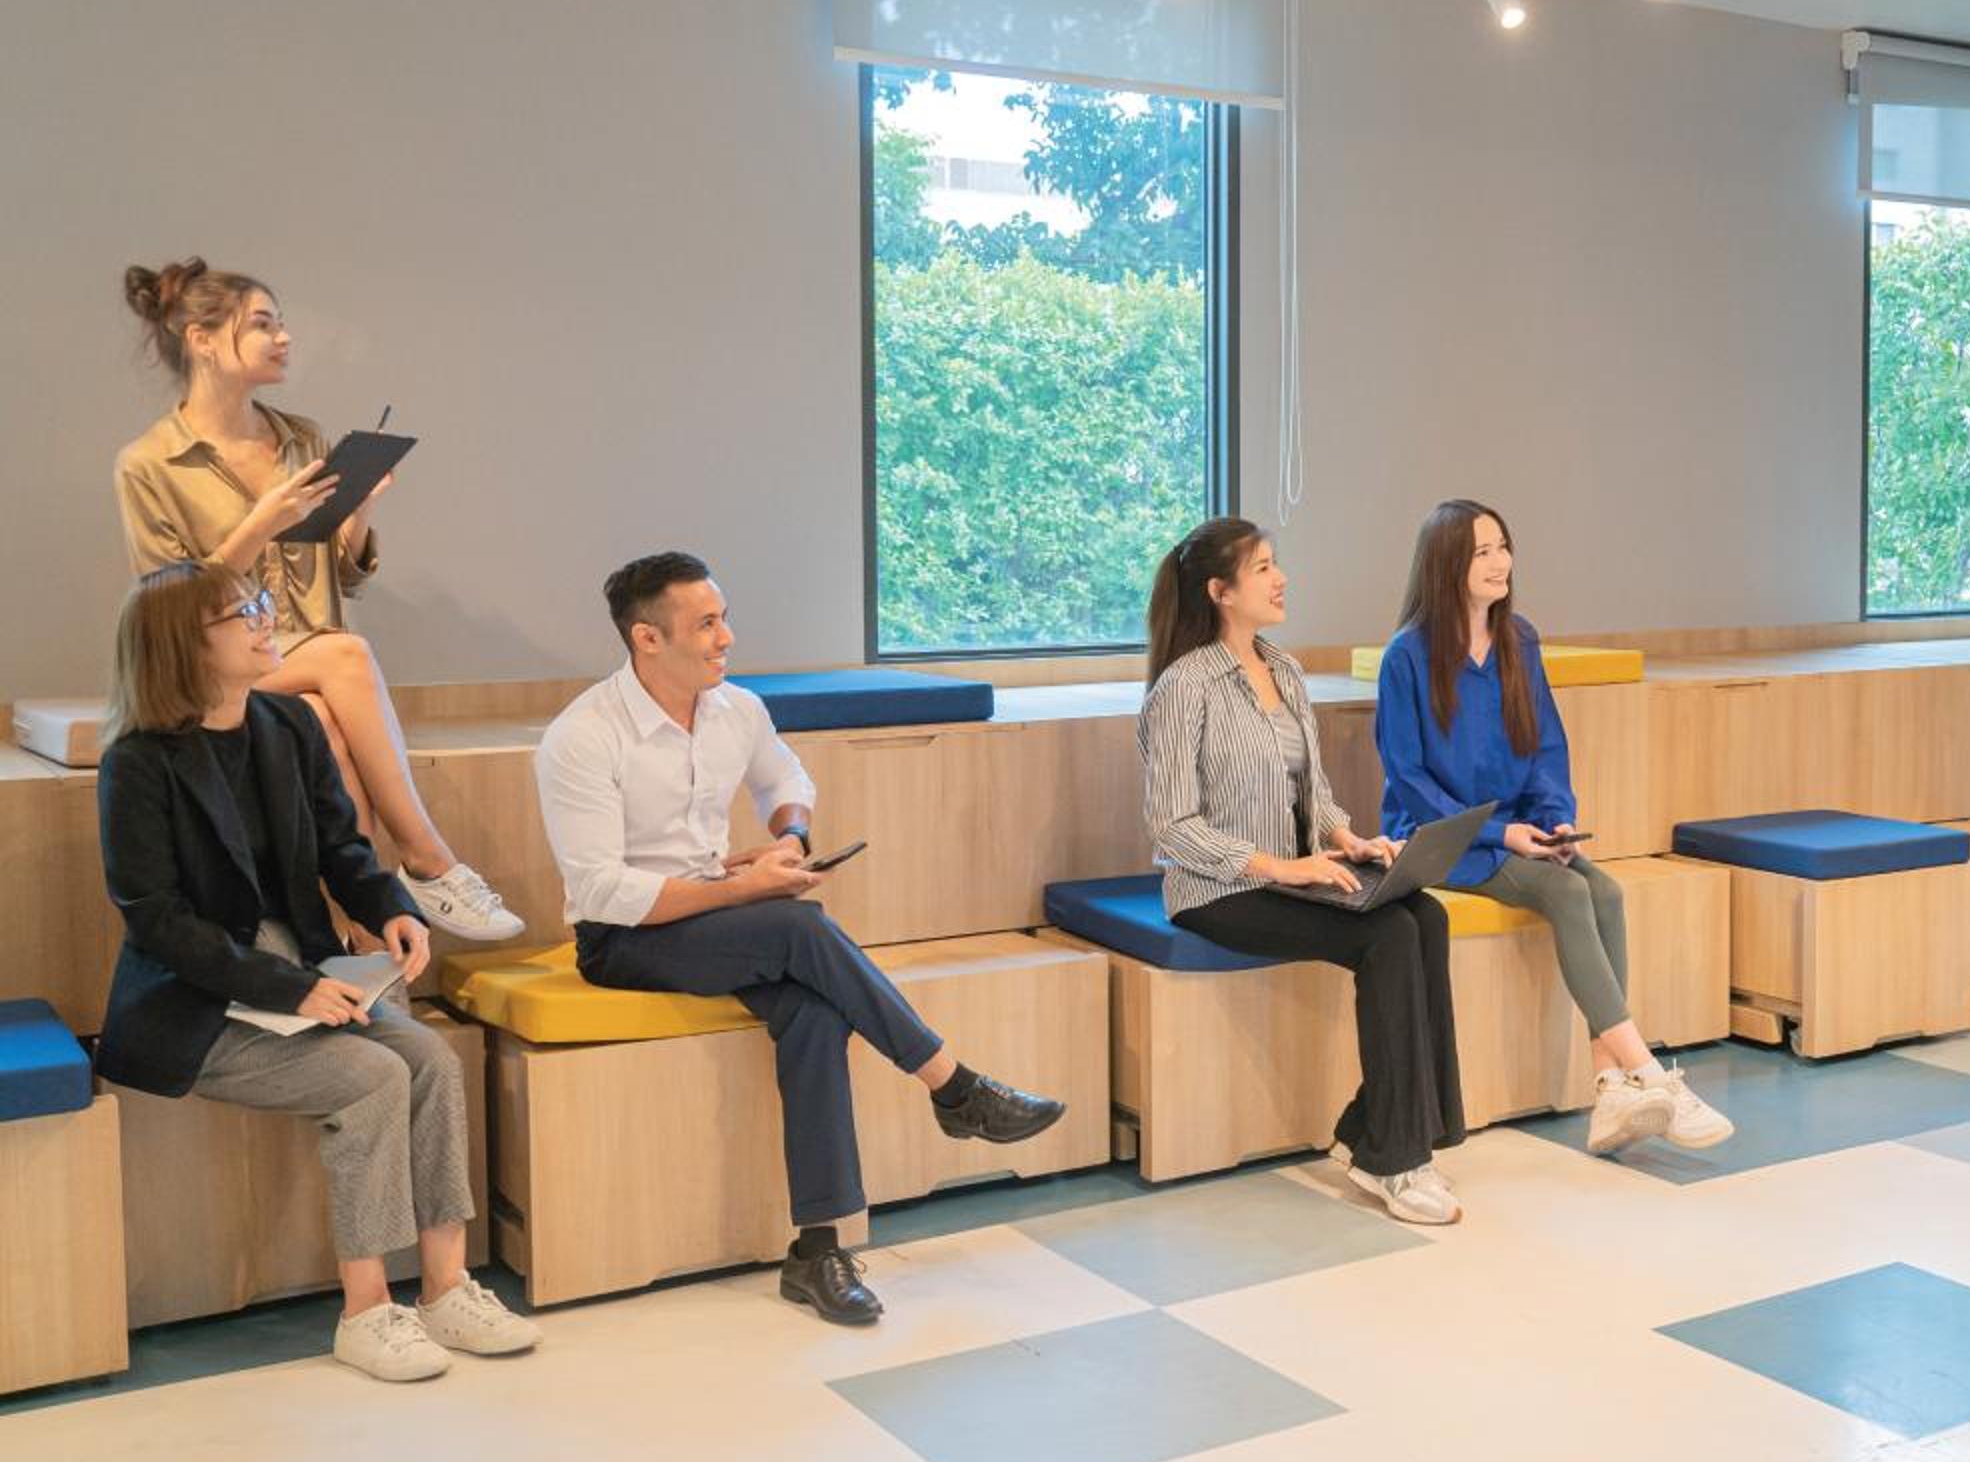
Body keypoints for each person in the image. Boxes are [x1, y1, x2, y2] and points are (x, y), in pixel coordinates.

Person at [534, 552, 1066, 1325]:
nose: (726, 637)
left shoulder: (736, 711)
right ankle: (955, 1088)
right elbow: (601, 892)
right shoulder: (583, 737)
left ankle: (818, 1250)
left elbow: (786, 783)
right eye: (705, 624)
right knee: (798, 924)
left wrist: (789, 840)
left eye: (723, 618)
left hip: (713, 914)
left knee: (814, 1011)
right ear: (647, 639)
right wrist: (746, 886)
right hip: (624, 938)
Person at [93, 561, 541, 1383]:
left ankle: (445, 1288)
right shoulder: (138, 763)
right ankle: (366, 1311)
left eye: (261, 604)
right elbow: (158, 923)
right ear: (184, 645)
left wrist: (391, 907)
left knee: (432, 1060)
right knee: (371, 1078)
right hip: (197, 1005)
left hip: (298, 974)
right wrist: (291, 988)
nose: (267, 621)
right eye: (243, 614)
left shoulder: (287, 724)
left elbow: (341, 847)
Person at [114, 258, 520, 943]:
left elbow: (342, 578)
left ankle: (361, 947)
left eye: (281, 324)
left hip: (297, 665)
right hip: (208, 667)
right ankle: (428, 862)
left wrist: (356, 515)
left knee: (325, 724)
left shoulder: (300, 439)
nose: (283, 338)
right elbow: (166, 609)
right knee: (347, 655)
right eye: (262, 325)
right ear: (202, 340)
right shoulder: (149, 463)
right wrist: (259, 525)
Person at [1139, 518, 1469, 1225]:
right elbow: (1172, 827)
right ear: (1220, 592)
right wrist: (1280, 868)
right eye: (1262, 568)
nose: (1280, 578)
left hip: (1298, 873)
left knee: (1426, 915)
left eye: (1275, 563)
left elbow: (1311, 788)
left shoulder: (1283, 670)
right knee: (1387, 937)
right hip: (1218, 890)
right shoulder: (1182, 688)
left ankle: (1378, 1129)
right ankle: (1391, 1158)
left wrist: (1349, 838)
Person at [1376, 500, 1732, 1154]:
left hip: (1517, 829)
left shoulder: (1520, 639)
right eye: (1482, 552)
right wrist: (1500, 835)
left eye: (1503, 546)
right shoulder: (1406, 656)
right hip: (1442, 839)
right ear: (1445, 563)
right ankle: (1648, 1075)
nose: (1501, 562)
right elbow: (1409, 780)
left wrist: (1555, 820)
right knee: (1567, 892)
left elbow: (1545, 747)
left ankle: (1610, 1090)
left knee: (1606, 891)